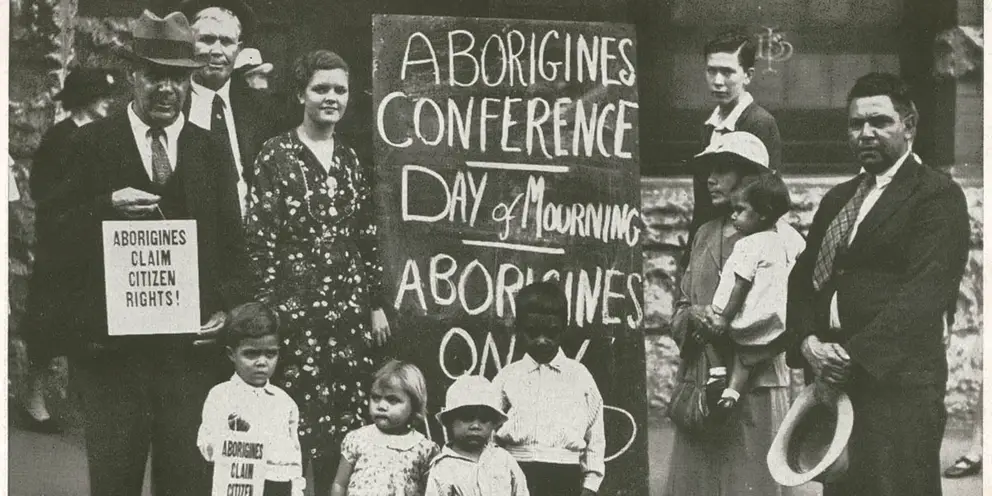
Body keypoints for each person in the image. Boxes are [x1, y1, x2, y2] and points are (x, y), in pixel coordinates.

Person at [46, 10, 250, 495]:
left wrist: (225, 309)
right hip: (114, 358)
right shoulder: (92, 143)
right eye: (154, 75)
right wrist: (104, 206)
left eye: (177, 78)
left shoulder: (209, 150)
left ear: (190, 81)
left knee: (185, 481)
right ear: (132, 77)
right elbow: (53, 234)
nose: (165, 89)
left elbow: (234, 247)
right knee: (114, 480)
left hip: (188, 358)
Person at [786, 72, 970, 496]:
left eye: (880, 121)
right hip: (836, 384)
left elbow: (923, 295)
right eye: (856, 124)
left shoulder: (936, 196)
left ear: (909, 125)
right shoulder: (839, 198)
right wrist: (806, 342)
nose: (865, 133)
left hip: (898, 389)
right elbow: (802, 281)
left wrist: (851, 357)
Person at [246, 48, 393, 495]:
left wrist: (375, 305)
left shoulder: (350, 161)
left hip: (347, 314)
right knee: (290, 425)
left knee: (343, 426)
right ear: (300, 94)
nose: (331, 97)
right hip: (294, 311)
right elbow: (260, 239)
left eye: (340, 90)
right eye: (321, 88)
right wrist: (268, 311)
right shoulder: (276, 154)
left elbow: (365, 237)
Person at [662, 131, 802, 496]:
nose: (711, 179)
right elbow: (679, 307)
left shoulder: (783, 240)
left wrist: (741, 331)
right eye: (709, 169)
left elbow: (793, 313)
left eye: (723, 169)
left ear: (753, 178)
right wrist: (695, 316)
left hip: (757, 383)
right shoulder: (704, 234)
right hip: (703, 383)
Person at [20, 67, 118, 434]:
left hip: (92, 244)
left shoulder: (102, 135)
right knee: (48, 324)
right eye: (101, 95)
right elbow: (44, 190)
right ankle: (32, 399)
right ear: (85, 99)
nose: (109, 101)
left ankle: (86, 401)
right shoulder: (62, 138)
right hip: (61, 246)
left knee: (88, 325)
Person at [700, 172, 804, 411]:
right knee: (747, 356)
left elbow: (741, 283)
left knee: (710, 330)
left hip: (745, 311)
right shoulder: (783, 239)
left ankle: (717, 373)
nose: (733, 215)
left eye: (740, 210)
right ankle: (732, 392)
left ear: (763, 214)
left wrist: (724, 317)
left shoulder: (749, 243)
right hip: (773, 314)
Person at [492, 282, 605, 496]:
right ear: (518, 329)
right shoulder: (508, 376)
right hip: (514, 471)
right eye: (532, 333)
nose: (542, 341)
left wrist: (590, 484)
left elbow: (595, 435)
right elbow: (488, 425)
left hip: (564, 477)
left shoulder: (579, 376)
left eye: (551, 333)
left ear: (563, 328)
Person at [180, 0, 281, 216]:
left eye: (226, 42)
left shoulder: (262, 109)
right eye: (206, 40)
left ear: (239, 49)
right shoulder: (172, 106)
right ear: (188, 44)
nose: (217, 51)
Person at [688, 31, 783, 254]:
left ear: (748, 75)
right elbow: (701, 205)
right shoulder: (709, 126)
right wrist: (690, 256)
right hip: (709, 246)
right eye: (712, 71)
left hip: (743, 249)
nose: (718, 81)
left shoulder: (759, 123)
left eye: (728, 72)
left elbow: (766, 202)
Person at [197, 302, 304, 496]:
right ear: (232, 354)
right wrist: (233, 437)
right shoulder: (221, 396)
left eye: (270, 354)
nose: (262, 362)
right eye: (251, 354)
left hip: (277, 486)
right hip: (238, 484)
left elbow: (294, 455)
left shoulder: (284, 402)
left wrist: (297, 490)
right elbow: (206, 446)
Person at [330, 360, 439, 496]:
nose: (381, 406)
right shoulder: (358, 439)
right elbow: (339, 484)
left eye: (392, 400)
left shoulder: (424, 449)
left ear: (414, 406)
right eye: (375, 398)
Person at [427, 375, 529, 496]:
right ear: (450, 422)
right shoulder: (444, 467)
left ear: (494, 424)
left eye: (484, 419)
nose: (476, 425)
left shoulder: (503, 460)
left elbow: (521, 491)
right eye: (467, 417)